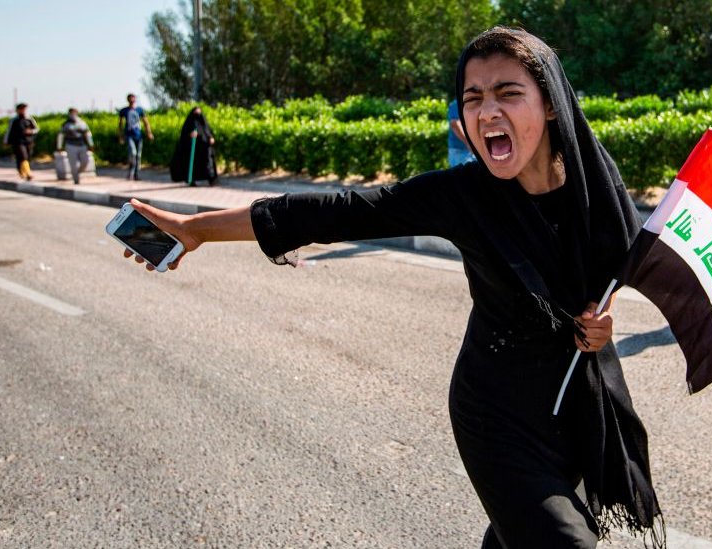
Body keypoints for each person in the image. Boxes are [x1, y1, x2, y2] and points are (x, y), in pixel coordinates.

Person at [120, 27, 665, 548]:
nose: (486, 112)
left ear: (549, 103)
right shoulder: (464, 195)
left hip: (572, 410)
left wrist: (600, 318)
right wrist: (195, 230)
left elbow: (610, 269)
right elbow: (337, 212)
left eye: (507, 93)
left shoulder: (595, 184)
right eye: (472, 98)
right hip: (495, 414)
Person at [170, 106, 217, 186]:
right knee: (192, 165)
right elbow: (184, 136)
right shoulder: (189, 123)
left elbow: (208, 131)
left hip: (204, 148)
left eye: (199, 114)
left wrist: (211, 138)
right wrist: (190, 135)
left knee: (208, 163)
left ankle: (211, 179)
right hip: (193, 149)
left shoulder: (204, 123)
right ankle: (191, 180)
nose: (198, 116)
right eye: (196, 114)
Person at [118, 93, 154, 180]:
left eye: (133, 99)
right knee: (133, 153)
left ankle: (136, 174)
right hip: (129, 135)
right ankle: (130, 172)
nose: (132, 101)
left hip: (138, 135)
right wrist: (120, 136)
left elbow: (146, 122)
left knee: (138, 155)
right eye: (130, 99)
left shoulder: (139, 110)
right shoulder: (124, 111)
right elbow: (120, 124)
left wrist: (149, 133)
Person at [56, 108, 94, 184]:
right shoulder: (65, 124)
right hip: (70, 145)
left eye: (74, 113)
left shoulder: (82, 123)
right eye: (71, 113)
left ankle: (77, 172)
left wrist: (91, 144)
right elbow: (60, 136)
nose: (73, 114)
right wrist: (59, 147)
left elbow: (87, 134)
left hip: (82, 145)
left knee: (85, 161)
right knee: (73, 164)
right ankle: (76, 180)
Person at [3, 103, 40, 180]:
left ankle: (22, 171)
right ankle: (28, 173)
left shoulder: (29, 119)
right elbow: (8, 132)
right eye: (21, 109)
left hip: (29, 141)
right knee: (23, 156)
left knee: (28, 157)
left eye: (24, 109)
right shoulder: (14, 120)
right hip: (18, 142)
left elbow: (36, 129)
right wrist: (6, 141)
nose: (23, 111)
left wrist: (31, 131)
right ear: (17, 110)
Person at [447, 98, 476, 167]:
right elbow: (455, 124)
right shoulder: (457, 103)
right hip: (461, 152)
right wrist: (469, 143)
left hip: (470, 150)